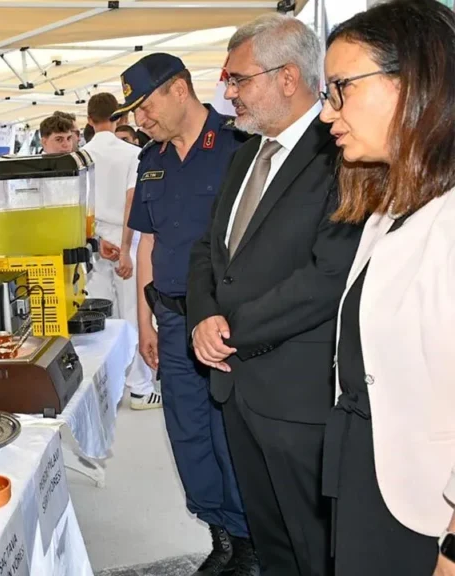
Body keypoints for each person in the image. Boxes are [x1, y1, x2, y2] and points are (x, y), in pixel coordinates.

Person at [186, 14, 362, 576]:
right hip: (238, 392)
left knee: (316, 551)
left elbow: (325, 276)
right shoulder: (245, 155)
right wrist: (202, 316)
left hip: (300, 400)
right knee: (273, 544)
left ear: (288, 78)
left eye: (239, 79)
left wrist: (230, 329)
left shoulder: (343, 153)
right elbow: (207, 254)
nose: (228, 93)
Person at [317, 1, 455, 574]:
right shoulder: (393, 206)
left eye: (340, 88)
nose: (328, 114)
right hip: (369, 475)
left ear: (413, 82)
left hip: (427, 514)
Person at [119, 54, 255, 574]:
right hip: (171, 322)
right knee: (188, 433)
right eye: (133, 111)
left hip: (223, 325)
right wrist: (143, 321)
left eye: (145, 105)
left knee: (228, 434)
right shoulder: (150, 158)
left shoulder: (236, 145)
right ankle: (220, 536)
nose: (140, 119)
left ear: (180, 90)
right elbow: (148, 241)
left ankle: (249, 543)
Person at [82, 92, 160, 411]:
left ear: (88, 120)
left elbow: (77, 206)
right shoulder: (133, 154)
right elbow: (132, 202)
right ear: (122, 118)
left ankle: (105, 392)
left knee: (100, 317)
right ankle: (140, 388)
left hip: (93, 239)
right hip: (128, 237)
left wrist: (96, 241)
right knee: (133, 314)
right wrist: (126, 248)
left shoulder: (80, 157)